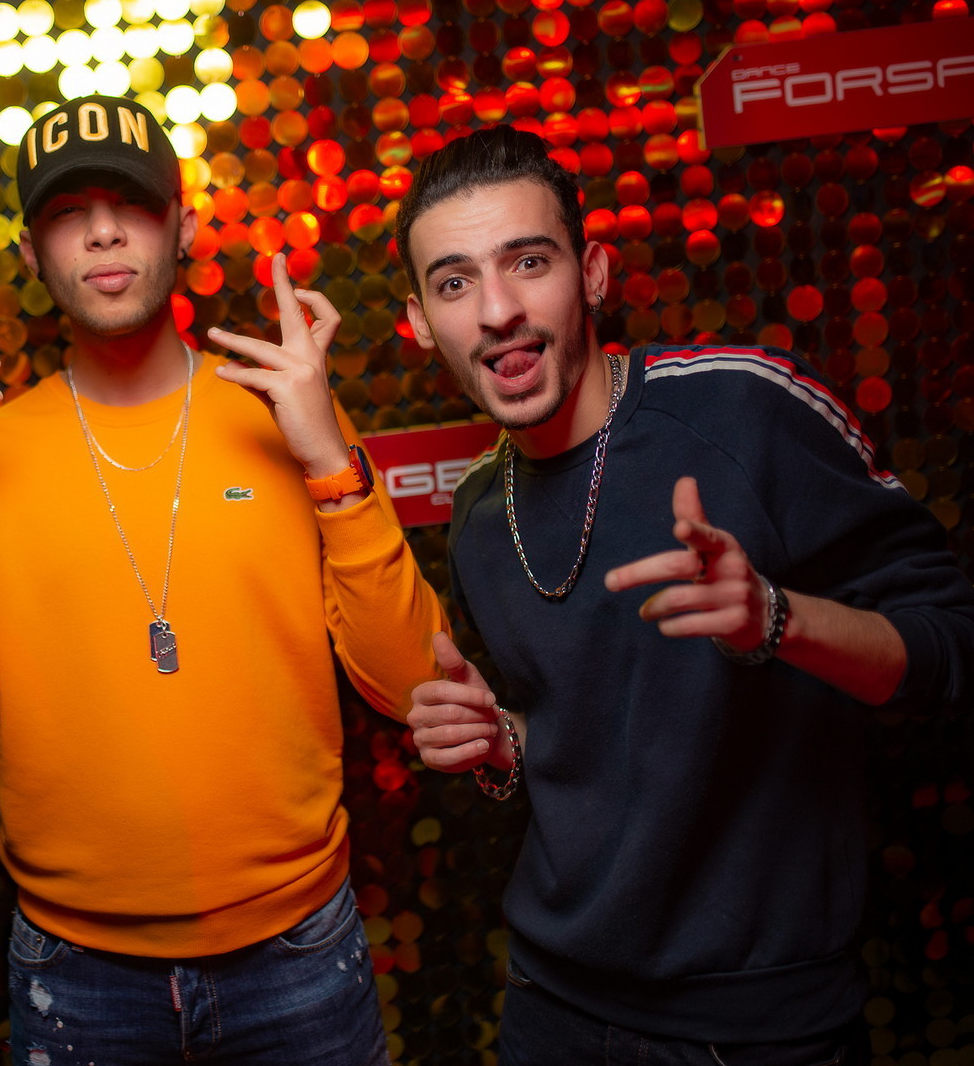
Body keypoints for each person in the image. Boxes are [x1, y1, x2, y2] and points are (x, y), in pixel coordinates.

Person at [0, 94, 447, 1065]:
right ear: (30, 252)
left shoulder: (283, 412)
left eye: (131, 204)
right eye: (69, 212)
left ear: (182, 228)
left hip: (298, 948)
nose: (102, 231)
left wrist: (327, 459)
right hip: (77, 971)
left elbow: (412, 683)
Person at [400, 125, 974, 1063]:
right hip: (550, 1003)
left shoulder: (738, 409)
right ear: (422, 320)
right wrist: (501, 741)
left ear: (591, 274)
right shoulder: (475, 514)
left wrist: (776, 621)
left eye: (528, 262)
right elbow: (594, 737)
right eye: (454, 282)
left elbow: (951, 647)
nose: (496, 310)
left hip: (754, 1026)